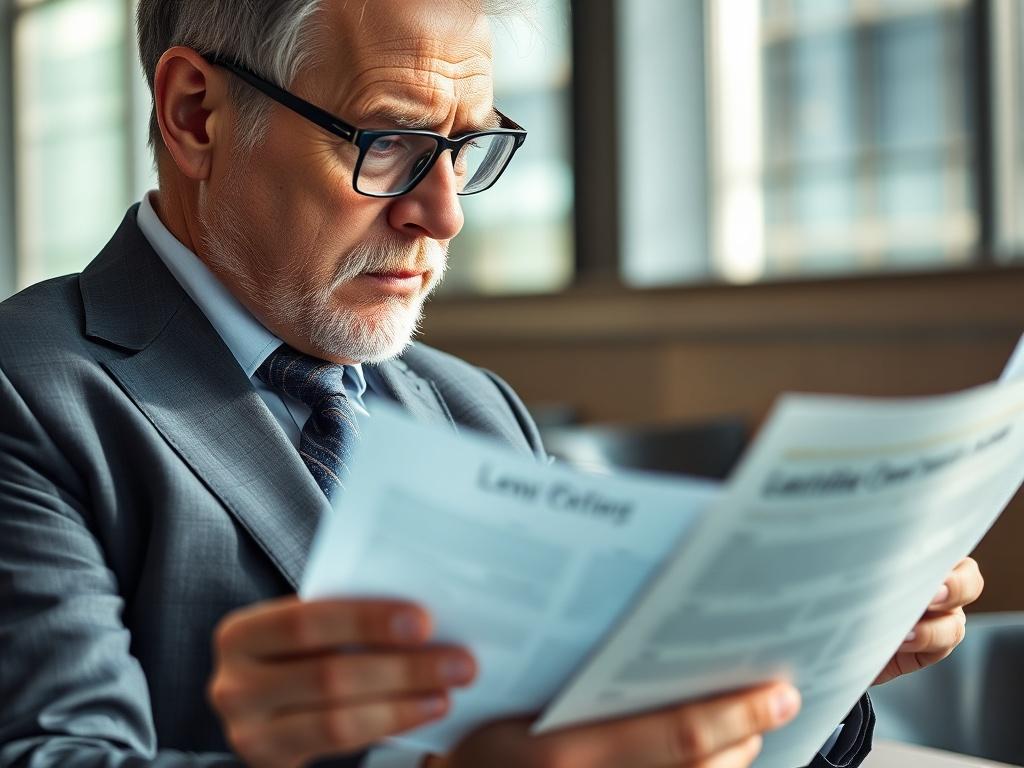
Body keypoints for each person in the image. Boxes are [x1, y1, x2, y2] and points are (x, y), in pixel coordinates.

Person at [0, 1, 985, 766]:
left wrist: (809, 661)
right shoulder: (31, 394)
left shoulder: (471, 405)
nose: (443, 215)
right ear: (195, 114)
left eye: (465, 149)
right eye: (389, 142)